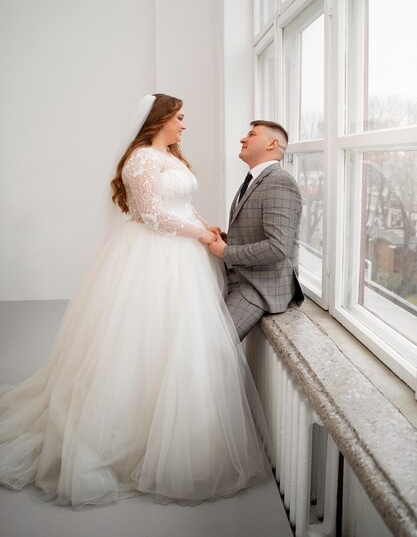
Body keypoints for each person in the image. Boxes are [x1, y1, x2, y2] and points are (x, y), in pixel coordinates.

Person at [0, 94, 269, 508]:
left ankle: (176, 430)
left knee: (176, 340)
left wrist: (204, 224)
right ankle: (125, 432)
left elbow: (179, 204)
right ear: (159, 119)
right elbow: (150, 215)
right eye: (179, 117)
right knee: (141, 338)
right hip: (152, 256)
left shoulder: (171, 158)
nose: (184, 124)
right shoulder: (141, 160)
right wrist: (199, 236)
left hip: (183, 254)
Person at [208, 120, 304, 341]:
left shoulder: (280, 182)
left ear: (272, 143)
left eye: (252, 134)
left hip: (260, 287)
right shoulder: (254, 180)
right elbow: (255, 231)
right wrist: (226, 240)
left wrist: (226, 252)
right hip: (241, 277)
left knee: (213, 345)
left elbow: (277, 247)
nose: (243, 139)